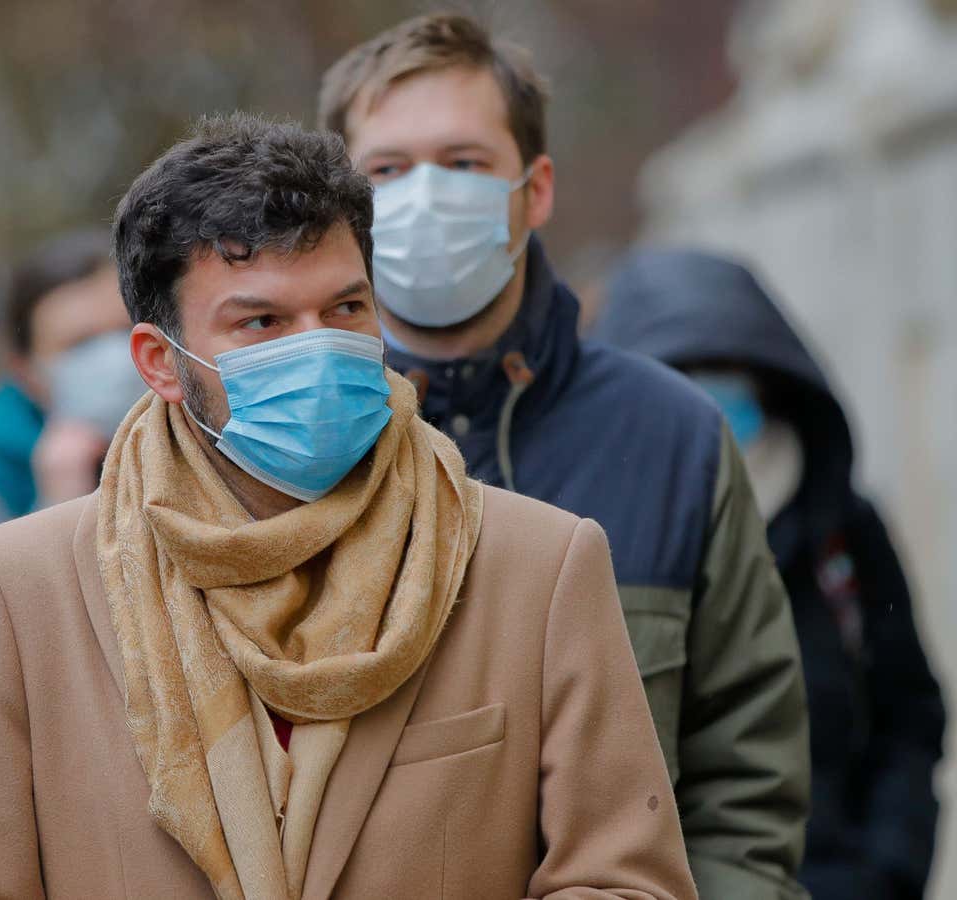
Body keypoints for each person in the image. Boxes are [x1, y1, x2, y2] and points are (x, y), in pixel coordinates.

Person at [0, 113, 696, 900]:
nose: (317, 346)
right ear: (161, 363)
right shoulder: (23, 589)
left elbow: (629, 880)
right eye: (262, 321)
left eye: (345, 309)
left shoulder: (534, 565)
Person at [318, 16, 810, 896]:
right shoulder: (289, 437)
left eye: (464, 163)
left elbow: (746, 771)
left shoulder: (674, 438)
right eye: (386, 169)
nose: (425, 197)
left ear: (535, 190)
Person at [595, 249, 948, 899]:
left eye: (728, 374)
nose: (708, 403)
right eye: (682, 376)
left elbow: (910, 717)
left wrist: (890, 868)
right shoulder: (590, 543)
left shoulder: (840, 532)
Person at [0, 230, 146, 698]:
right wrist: (56, 517)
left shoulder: (218, 471)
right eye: (79, 345)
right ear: (28, 372)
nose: (114, 360)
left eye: (124, 332)